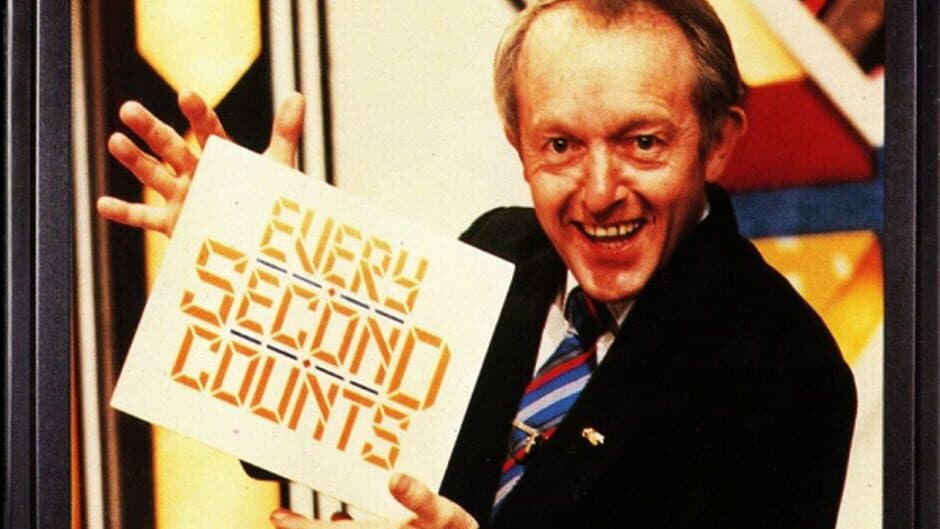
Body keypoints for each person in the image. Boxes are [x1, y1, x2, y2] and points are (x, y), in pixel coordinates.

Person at [98, 1, 857, 528]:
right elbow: (334, 419)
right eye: (560, 145)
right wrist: (244, 256)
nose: (600, 191)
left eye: (642, 142)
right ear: (517, 144)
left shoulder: (788, 371)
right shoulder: (500, 250)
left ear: (718, 143)